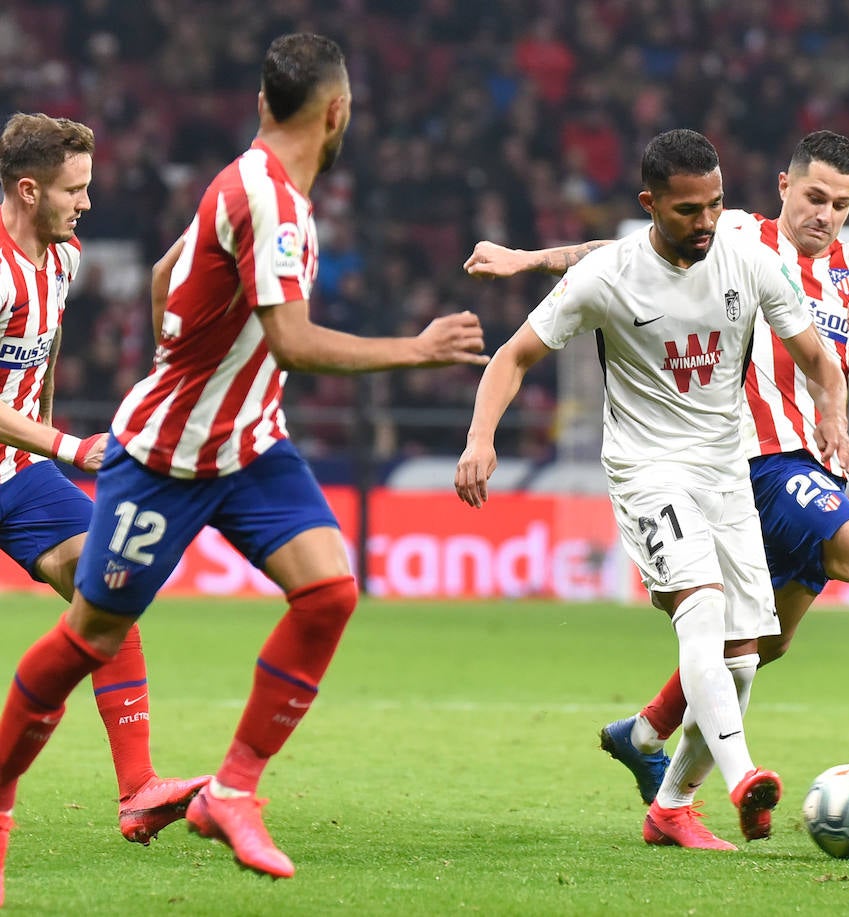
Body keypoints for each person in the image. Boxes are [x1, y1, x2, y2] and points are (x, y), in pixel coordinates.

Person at [0, 33, 490, 900]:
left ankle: (220, 787)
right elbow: (292, 341)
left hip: (241, 443)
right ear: (337, 113)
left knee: (325, 589)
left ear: (268, 103)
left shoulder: (107, 244)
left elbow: (161, 276)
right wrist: (417, 351)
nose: (88, 201)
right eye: (75, 187)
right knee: (92, 630)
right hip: (159, 456)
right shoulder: (268, 199)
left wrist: (182, 363)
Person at [464, 130, 849, 808]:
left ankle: (643, 734)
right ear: (784, 187)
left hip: (814, 469)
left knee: (759, 642)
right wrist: (526, 260)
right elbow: (627, 256)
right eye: (814, 197)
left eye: (841, 203)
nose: (825, 215)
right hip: (755, 461)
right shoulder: (738, 233)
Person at [456, 128, 849, 851]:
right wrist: (481, 437)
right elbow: (513, 357)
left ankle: (670, 807)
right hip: (647, 470)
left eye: (715, 205)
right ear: (650, 204)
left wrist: (832, 410)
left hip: (725, 468)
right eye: (687, 210)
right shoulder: (608, 276)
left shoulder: (749, 261)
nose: (705, 222)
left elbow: (818, 360)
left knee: (743, 656)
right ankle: (742, 777)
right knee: (700, 609)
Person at [0, 112, 210, 868]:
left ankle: (138, 787)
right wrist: (68, 444)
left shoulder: (61, 261)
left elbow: (42, 359)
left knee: (110, 586)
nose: (86, 203)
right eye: (73, 189)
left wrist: (44, 449)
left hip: (17, 475)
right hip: (34, 455)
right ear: (29, 190)